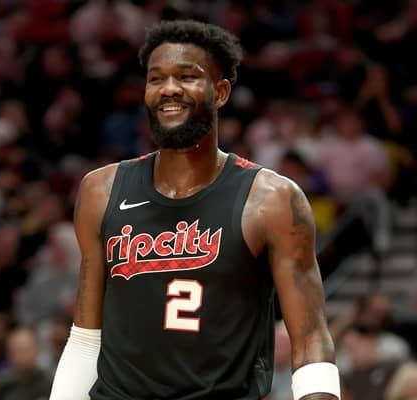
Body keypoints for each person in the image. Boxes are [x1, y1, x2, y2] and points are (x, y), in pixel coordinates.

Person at [49, 20, 338, 399]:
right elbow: (87, 337)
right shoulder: (100, 190)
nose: (169, 88)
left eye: (186, 76)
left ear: (220, 92)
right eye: (156, 78)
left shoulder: (273, 199)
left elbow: (311, 337)